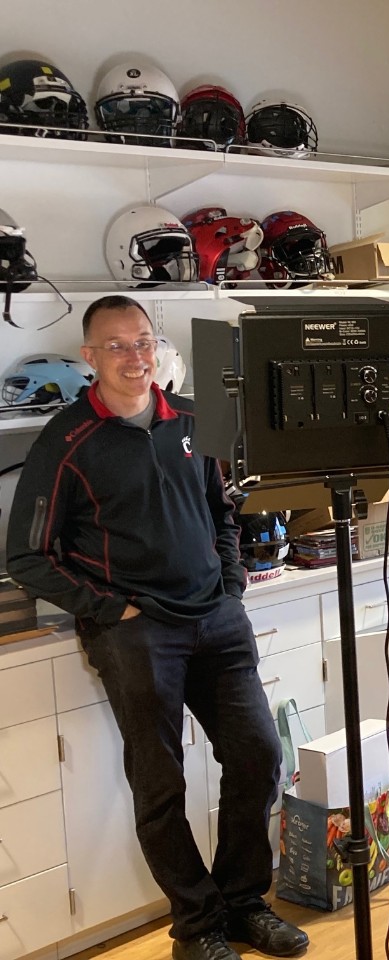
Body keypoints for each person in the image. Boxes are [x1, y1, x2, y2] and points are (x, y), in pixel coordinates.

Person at [5, 296, 308, 960]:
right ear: (91, 358)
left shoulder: (195, 420)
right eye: (116, 345)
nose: (134, 357)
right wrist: (112, 610)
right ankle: (196, 924)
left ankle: (243, 903)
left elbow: (222, 511)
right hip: (137, 636)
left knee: (258, 758)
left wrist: (230, 586)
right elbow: (26, 556)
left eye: (143, 341)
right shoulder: (66, 441)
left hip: (217, 621)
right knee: (159, 781)